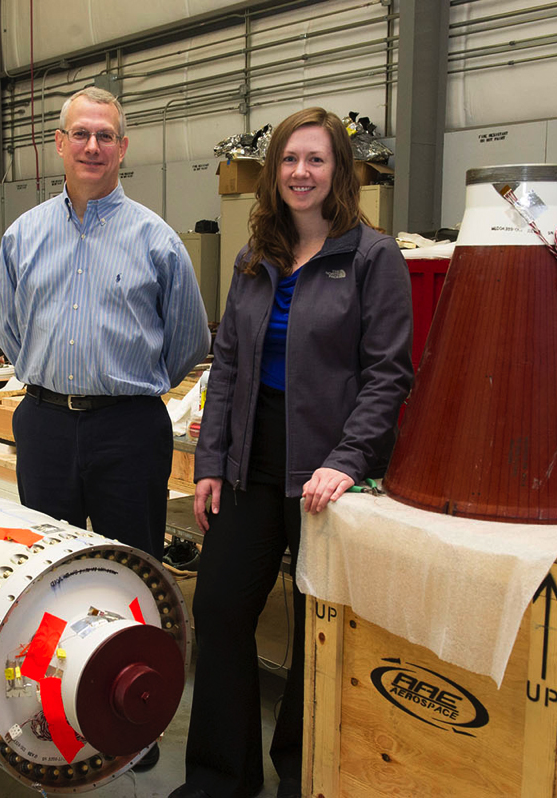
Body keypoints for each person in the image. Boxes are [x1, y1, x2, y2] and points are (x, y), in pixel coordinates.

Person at [170, 108, 414, 798]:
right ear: (272, 173)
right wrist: (211, 461)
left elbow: (389, 372)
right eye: (288, 160)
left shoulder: (372, 257)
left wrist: (348, 459)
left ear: (339, 170)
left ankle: (303, 775)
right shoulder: (256, 259)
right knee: (219, 610)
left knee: (317, 630)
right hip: (252, 463)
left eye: (315, 160)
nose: (300, 173)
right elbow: (230, 368)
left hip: (330, 472)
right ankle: (222, 779)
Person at [0, 87, 209, 562]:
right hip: (43, 424)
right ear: (60, 142)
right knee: (47, 565)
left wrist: (128, 387)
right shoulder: (22, 235)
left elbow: (191, 338)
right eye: (81, 134)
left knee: (134, 564)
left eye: (105, 136)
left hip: (128, 430)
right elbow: (6, 328)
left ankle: (136, 639)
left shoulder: (158, 241)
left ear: (122, 147)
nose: (93, 146)